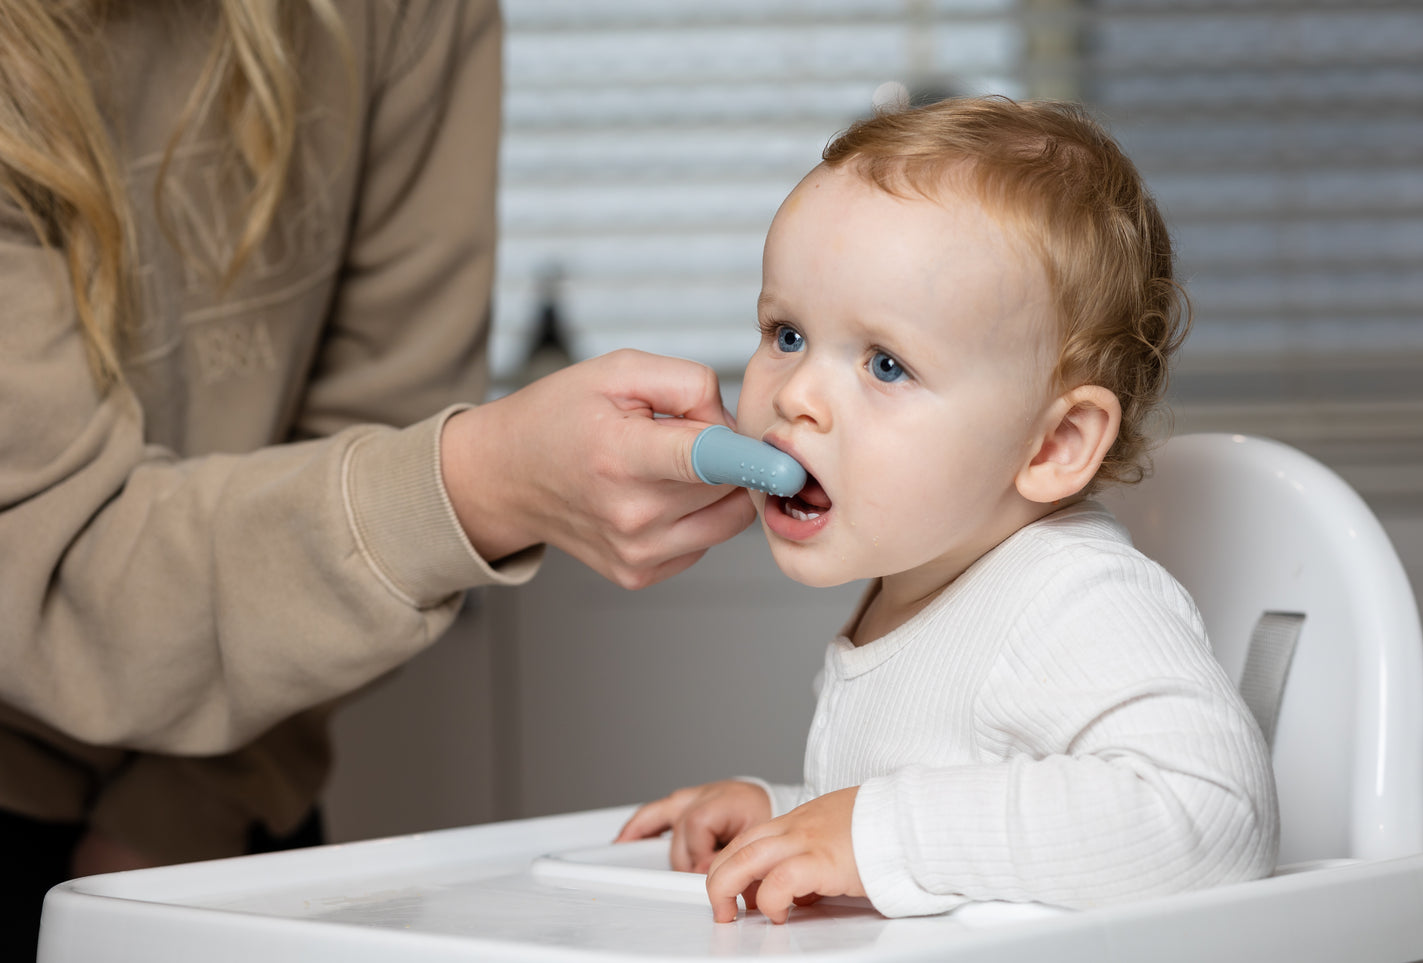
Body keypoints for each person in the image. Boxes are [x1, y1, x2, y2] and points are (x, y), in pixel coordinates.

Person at [0, 1, 754, 957]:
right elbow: (55, 564)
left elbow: (380, 411)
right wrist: (484, 483)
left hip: (238, 793)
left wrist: (180, 818)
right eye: (786, 335)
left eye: (886, 362)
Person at [617, 96, 1280, 924]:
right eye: (786, 334)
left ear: (1052, 444)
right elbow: (957, 793)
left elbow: (1211, 815)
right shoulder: (918, 581)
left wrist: (871, 831)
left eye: (885, 364)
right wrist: (790, 819)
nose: (797, 396)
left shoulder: (1072, 596)